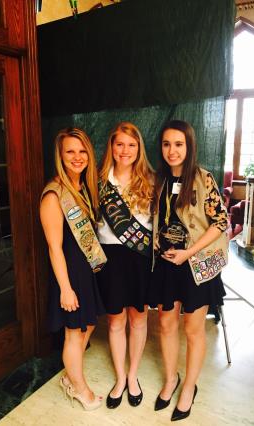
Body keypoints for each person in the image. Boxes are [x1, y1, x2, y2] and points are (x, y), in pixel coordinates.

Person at [149, 120, 228, 422]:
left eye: (178, 144)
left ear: (189, 146)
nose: (172, 150)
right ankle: (171, 379)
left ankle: (189, 388)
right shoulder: (157, 180)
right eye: (167, 144)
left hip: (195, 264)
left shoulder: (203, 178)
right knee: (166, 325)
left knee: (193, 330)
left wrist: (189, 253)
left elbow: (220, 223)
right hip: (167, 263)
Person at [40, 127, 107, 411]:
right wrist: (65, 289)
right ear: (60, 156)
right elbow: (54, 248)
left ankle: (71, 375)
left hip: (85, 270)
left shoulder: (83, 188)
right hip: (68, 274)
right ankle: (79, 389)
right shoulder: (54, 195)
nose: (77, 157)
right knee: (73, 332)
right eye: (70, 151)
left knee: (89, 323)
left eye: (82, 151)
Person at [97, 122, 154, 408]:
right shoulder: (98, 182)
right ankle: (120, 377)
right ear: (111, 147)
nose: (125, 150)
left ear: (139, 149)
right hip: (110, 258)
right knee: (116, 320)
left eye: (131, 145)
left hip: (140, 258)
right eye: (120, 144)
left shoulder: (152, 181)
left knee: (138, 318)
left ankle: (133, 376)